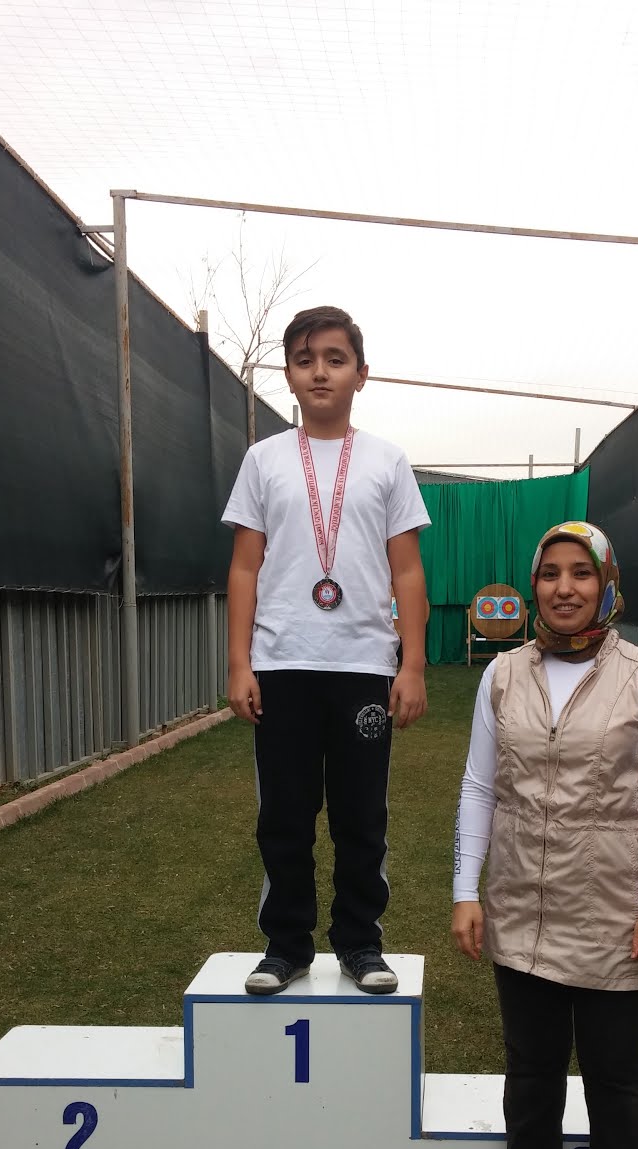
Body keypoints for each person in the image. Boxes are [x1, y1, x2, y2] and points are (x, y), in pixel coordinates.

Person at [451, 521, 638, 1149]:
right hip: (522, 911)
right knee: (531, 1081)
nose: (564, 588)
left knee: (616, 1083)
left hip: (614, 917)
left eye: (581, 573)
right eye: (550, 572)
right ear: (533, 586)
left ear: (607, 583)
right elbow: (480, 787)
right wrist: (466, 889)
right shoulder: (503, 676)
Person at [222, 306, 430, 996]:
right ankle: (285, 946)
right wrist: (240, 663)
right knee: (284, 815)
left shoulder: (387, 461)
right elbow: (245, 567)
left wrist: (412, 664)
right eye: (305, 359)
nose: (320, 372)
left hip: (363, 666)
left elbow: (407, 571)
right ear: (288, 373)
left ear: (360, 375)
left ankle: (360, 943)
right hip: (282, 663)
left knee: (361, 815)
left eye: (335, 359)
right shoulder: (263, 460)